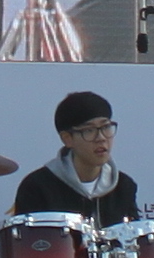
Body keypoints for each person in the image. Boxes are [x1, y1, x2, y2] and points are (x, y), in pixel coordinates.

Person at [9, 91, 137, 225]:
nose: (101, 138)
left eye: (106, 127)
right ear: (67, 139)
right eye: (89, 130)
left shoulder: (123, 186)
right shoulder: (37, 187)